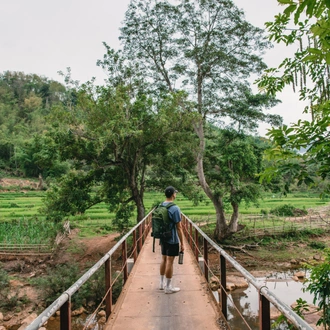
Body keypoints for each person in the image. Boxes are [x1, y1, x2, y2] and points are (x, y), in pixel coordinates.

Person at [159, 186, 184, 294]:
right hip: (172, 238)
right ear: (173, 194)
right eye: (175, 193)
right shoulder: (175, 208)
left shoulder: (160, 205)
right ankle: (168, 287)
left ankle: (161, 284)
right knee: (170, 261)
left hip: (163, 237)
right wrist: (182, 243)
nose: (176, 194)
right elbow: (179, 227)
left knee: (164, 259)